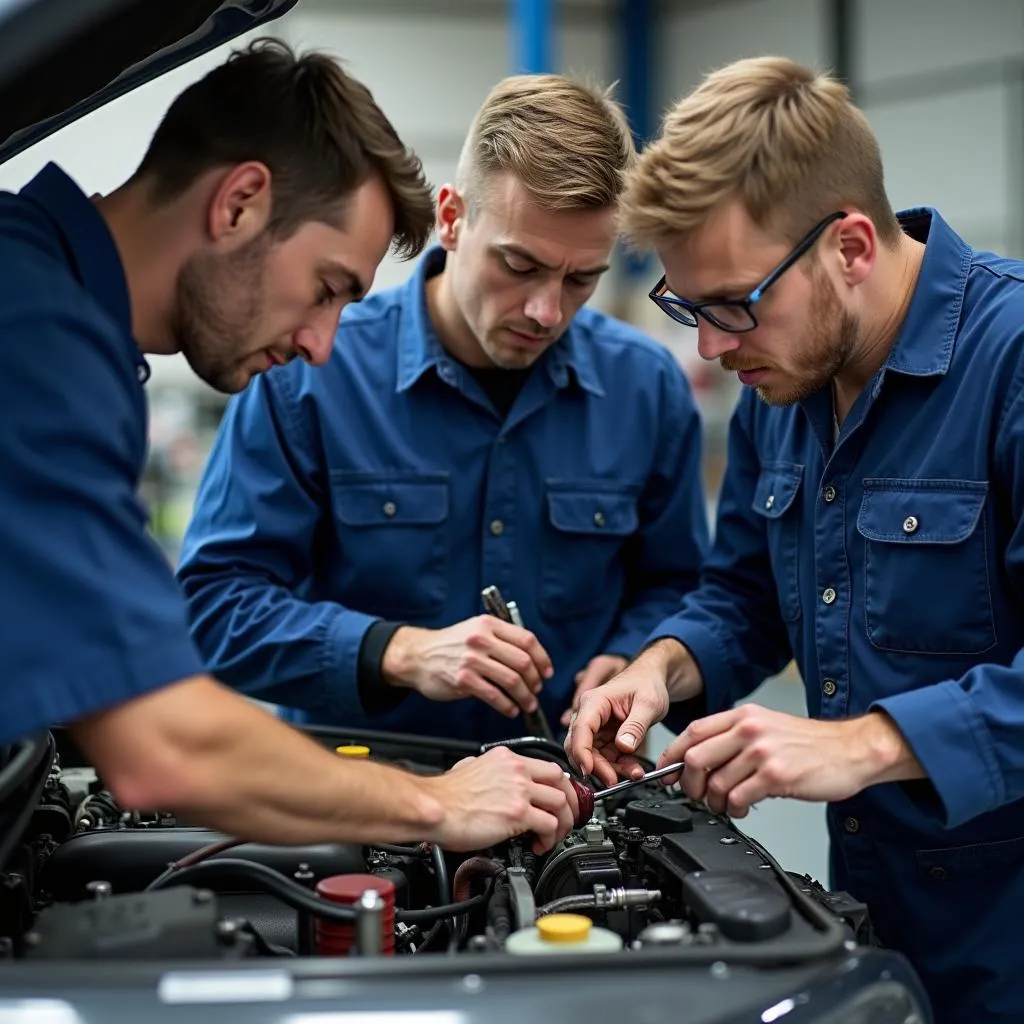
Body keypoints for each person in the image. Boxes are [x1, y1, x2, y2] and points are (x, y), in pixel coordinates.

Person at [0, 38, 580, 856]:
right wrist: (433, 804)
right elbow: (163, 743)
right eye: (328, 288)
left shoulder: (38, 289)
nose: (322, 345)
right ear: (239, 202)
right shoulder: (38, 339)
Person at [566, 55, 1024, 1023]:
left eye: (733, 304)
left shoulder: (1010, 363)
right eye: (687, 310)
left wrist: (864, 742)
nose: (711, 349)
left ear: (850, 245)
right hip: (852, 931)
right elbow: (742, 594)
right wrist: (659, 667)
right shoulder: (782, 385)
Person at [174, 73, 709, 744]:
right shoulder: (309, 372)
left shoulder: (646, 389)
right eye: (518, 265)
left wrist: (638, 658)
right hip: (359, 803)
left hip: (564, 803)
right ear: (452, 219)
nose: (546, 311)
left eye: (580, 280)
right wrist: (400, 653)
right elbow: (215, 608)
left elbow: (680, 589)